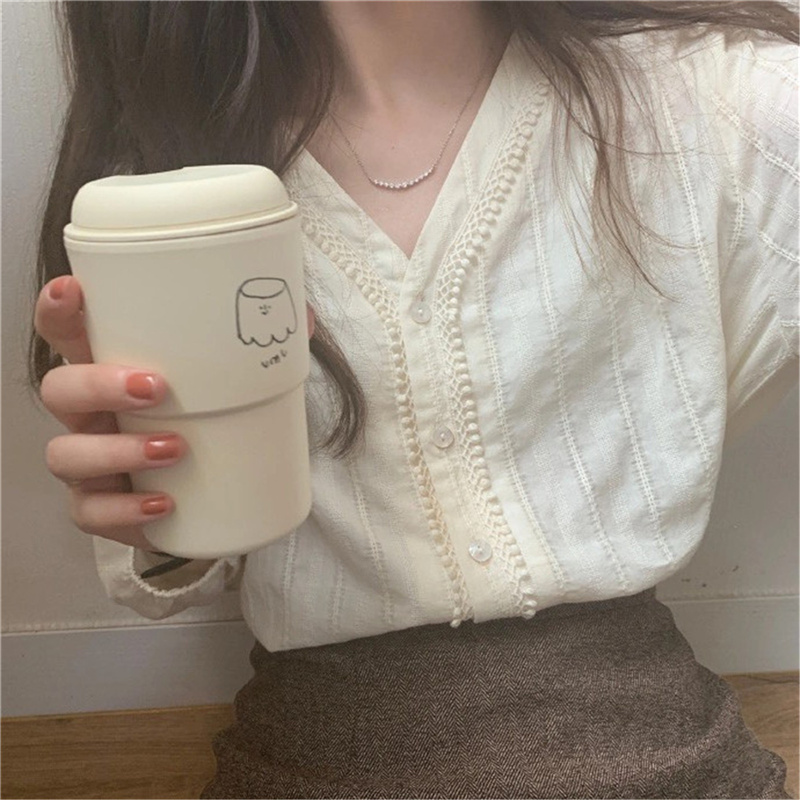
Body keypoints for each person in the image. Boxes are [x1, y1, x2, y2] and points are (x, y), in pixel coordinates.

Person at [29, 2, 798, 798]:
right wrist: (164, 508)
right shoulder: (154, 185)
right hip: (315, 756)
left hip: (663, 750)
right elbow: (182, 544)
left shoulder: (714, 97)